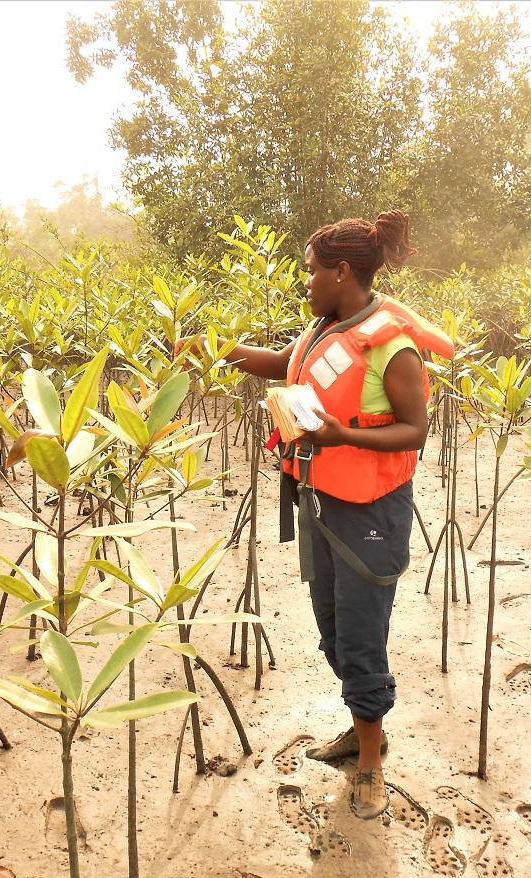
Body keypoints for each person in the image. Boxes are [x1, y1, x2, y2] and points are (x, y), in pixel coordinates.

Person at [177, 210, 453, 819]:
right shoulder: (324, 327)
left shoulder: (393, 348)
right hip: (322, 502)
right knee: (331, 626)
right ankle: (363, 726)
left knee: (361, 632)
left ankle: (371, 763)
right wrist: (213, 350)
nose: (305, 282)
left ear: (342, 271)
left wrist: (340, 435)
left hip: (371, 513)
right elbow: (283, 362)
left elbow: (414, 431)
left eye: (311, 271)